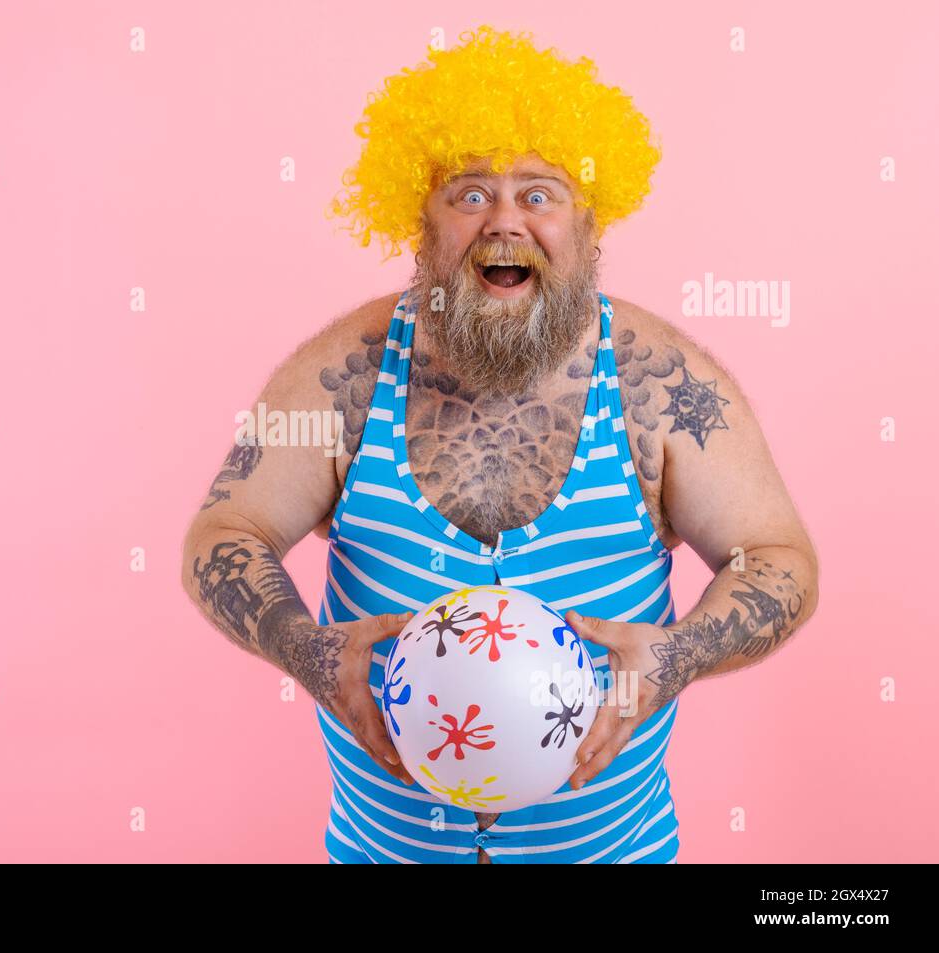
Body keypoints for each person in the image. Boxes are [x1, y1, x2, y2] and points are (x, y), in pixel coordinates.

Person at [181, 26, 818, 863]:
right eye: (470, 193)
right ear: (421, 220)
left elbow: (779, 557)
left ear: (591, 223)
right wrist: (304, 647)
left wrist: (682, 652)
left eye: (540, 194)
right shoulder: (347, 375)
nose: (505, 223)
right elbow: (223, 534)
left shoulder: (658, 386)